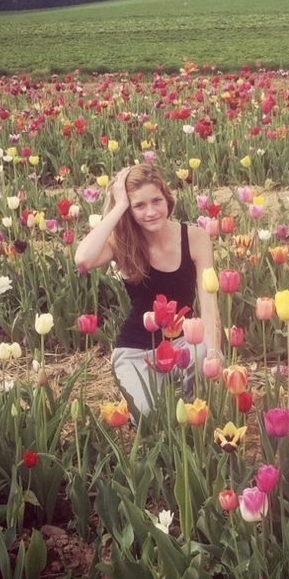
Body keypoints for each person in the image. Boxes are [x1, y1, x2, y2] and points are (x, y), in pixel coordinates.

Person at [74, 163, 221, 419]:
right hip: (136, 351)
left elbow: (209, 303)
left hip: (184, 342)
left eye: (156, 201)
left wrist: (213, 353)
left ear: (168, 200)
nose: (151, 212)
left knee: (200, 407)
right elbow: (83, 260)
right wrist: (119, 205)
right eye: (139, 206)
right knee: (149, 417)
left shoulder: (195, 238)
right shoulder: (122, 244)